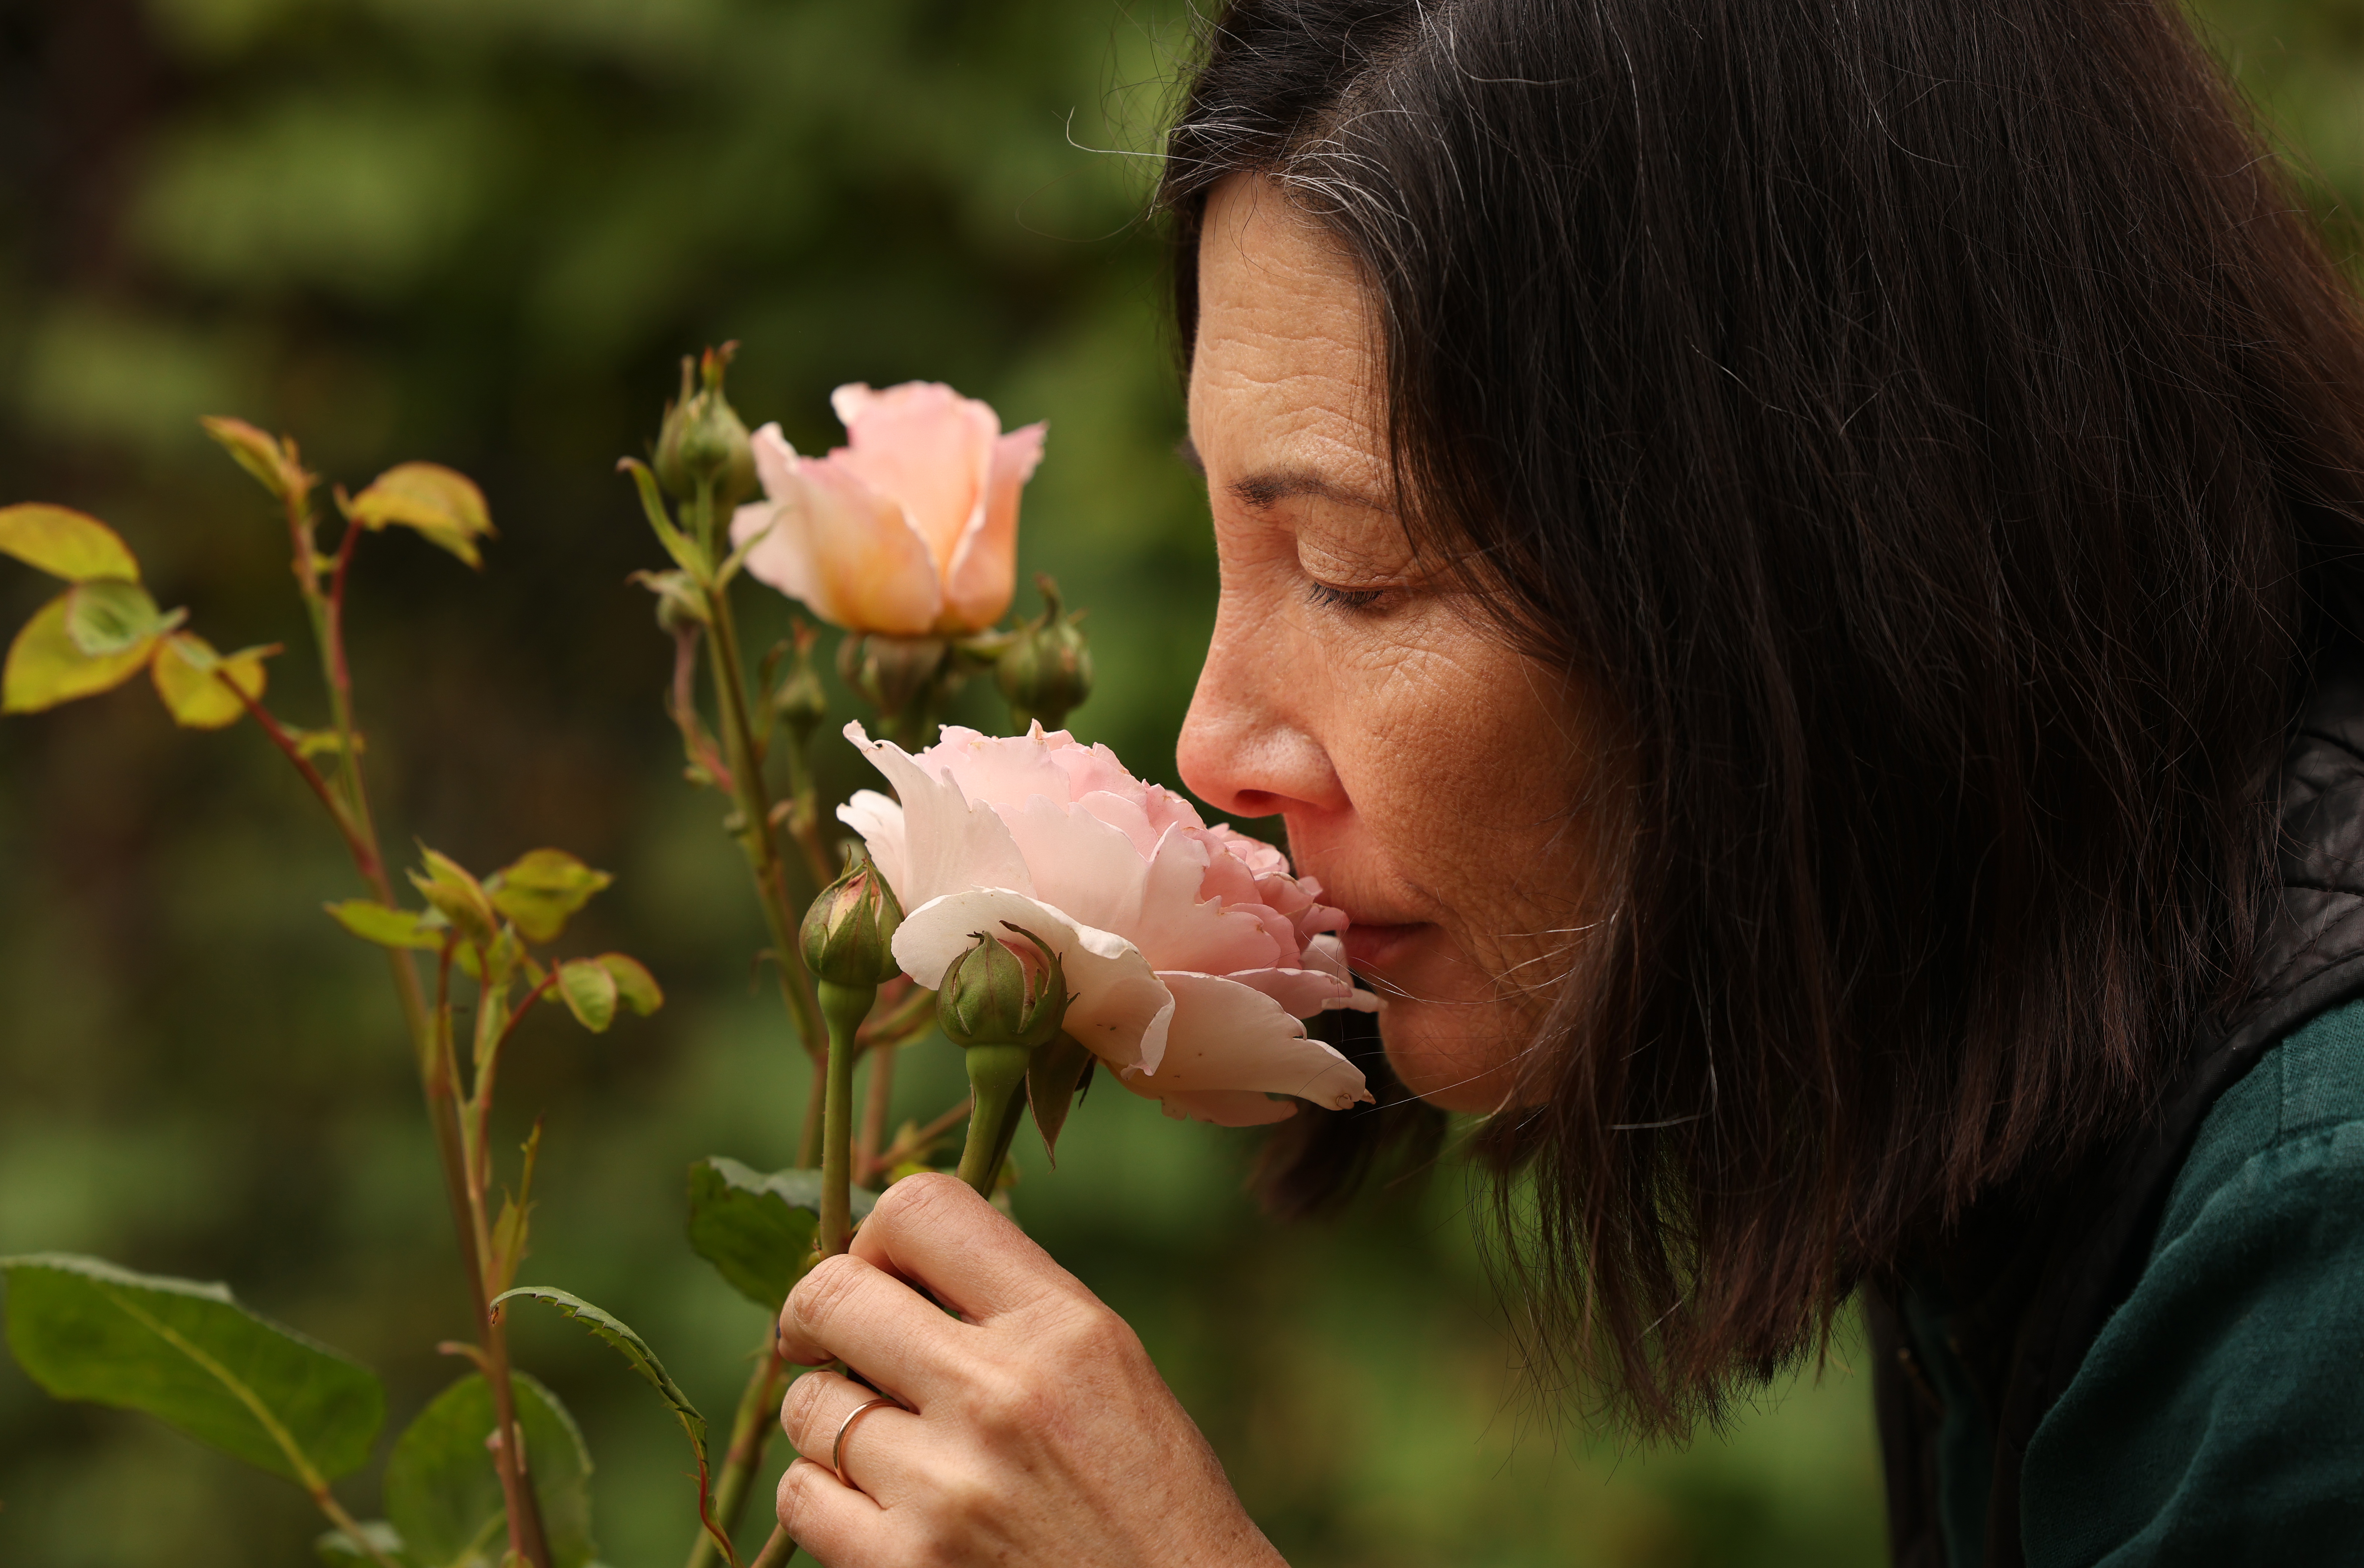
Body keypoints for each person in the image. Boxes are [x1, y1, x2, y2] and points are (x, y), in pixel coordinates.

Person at [765, 1, 2364, 1562]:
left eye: (1354, 569)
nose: (1212, 746)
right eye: (1234, 545)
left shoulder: (2315, 1249)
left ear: (1815, 561)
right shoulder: (2052, 1023)